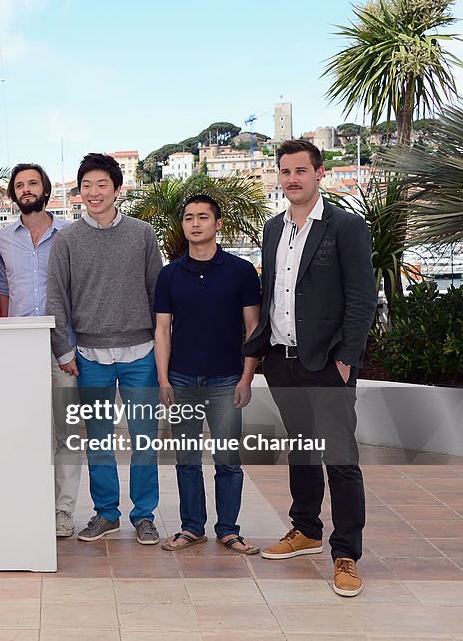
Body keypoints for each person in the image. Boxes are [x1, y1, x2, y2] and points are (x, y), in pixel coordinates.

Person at [243, 139, 377, 597]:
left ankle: (346, 554)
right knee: (301, 449)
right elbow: (273, 296)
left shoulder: (346, 226)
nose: (292, 178)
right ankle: (305, 531)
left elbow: (362, 299)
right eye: (285, 171)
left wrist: (346, 359)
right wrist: (260, 351)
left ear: (320, 173)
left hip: (327, 364)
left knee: (340, 459)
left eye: (301, 170)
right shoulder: (273, 228)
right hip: (282, 361)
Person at [46, 153, 163, 544]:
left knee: (145, 438)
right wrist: (63, 350)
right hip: (90, 356)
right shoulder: (66, 240)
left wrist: (163, 349)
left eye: (102, 185)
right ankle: (106, 513)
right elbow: (56, 299)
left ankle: (144, 514)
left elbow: (157, 293)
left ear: (117, 189)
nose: (94, 193)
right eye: (86, 186)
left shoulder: (142, 234)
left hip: (140, 353)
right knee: (98, 439)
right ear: (79, 192)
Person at [154, 194, 261, 555]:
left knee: (228, 461)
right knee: (187, 459)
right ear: (182, 225)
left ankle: (229, 530)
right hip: (182, 380)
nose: (195, 223)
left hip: (227, 380)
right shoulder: (169, 275)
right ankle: (191, 527)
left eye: (203, 217)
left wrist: (246, 378)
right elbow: (162, 330)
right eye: (188, 218)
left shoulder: (241, 272)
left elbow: (253, 328)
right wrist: (164, 379)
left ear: (218, 224)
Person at [0, 163, 82, 538]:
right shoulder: (3, 238)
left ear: (45, 189)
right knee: (24, 429)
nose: (26, 189)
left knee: (67, 431)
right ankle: (27, 502)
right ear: (13, 194)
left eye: (33, 183)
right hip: (18, 348)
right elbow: (3, 289)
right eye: (20, 185)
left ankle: (63, 510)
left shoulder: (71, 234)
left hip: (64, 349)